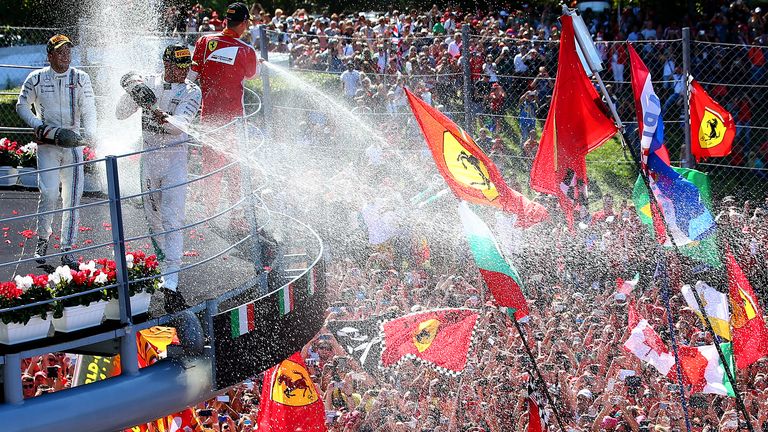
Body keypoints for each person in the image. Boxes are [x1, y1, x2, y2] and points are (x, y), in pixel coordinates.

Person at [115, 44, 201, 312]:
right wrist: (131, 90)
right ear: (166, 65)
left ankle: (171, 281)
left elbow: (179, 127)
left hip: (175, 158)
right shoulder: (150, 82)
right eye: (179, 65)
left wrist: (155, 111)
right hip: (149, 157)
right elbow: (120, 113)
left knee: (172, 218)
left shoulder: (192, 91)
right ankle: (164, 268)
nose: (184, 71)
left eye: (187, 65)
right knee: (153, 219)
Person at [16, 34, 97, 268]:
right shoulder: (36, 79)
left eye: (69, 51)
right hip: (48, 145)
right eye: (60, 52)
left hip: (73, 145)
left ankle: (67, 249)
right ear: (49, 55)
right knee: (49, 193)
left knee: (72, 198)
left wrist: (90, 133)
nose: (66, 55)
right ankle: (42, 239)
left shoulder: (81, 78)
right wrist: (38, 126)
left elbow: (89, 109)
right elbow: (21, 105)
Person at [188, 2, 259, 230]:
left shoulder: (204, 41)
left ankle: (209, 216)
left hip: (208, 117)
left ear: (225, 20)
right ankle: (236, 218)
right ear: (245, 23)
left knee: (211, 167)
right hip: (234, 121)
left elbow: (192, 74)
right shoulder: (247, 51)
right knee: (236, 169)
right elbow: (251, 75)